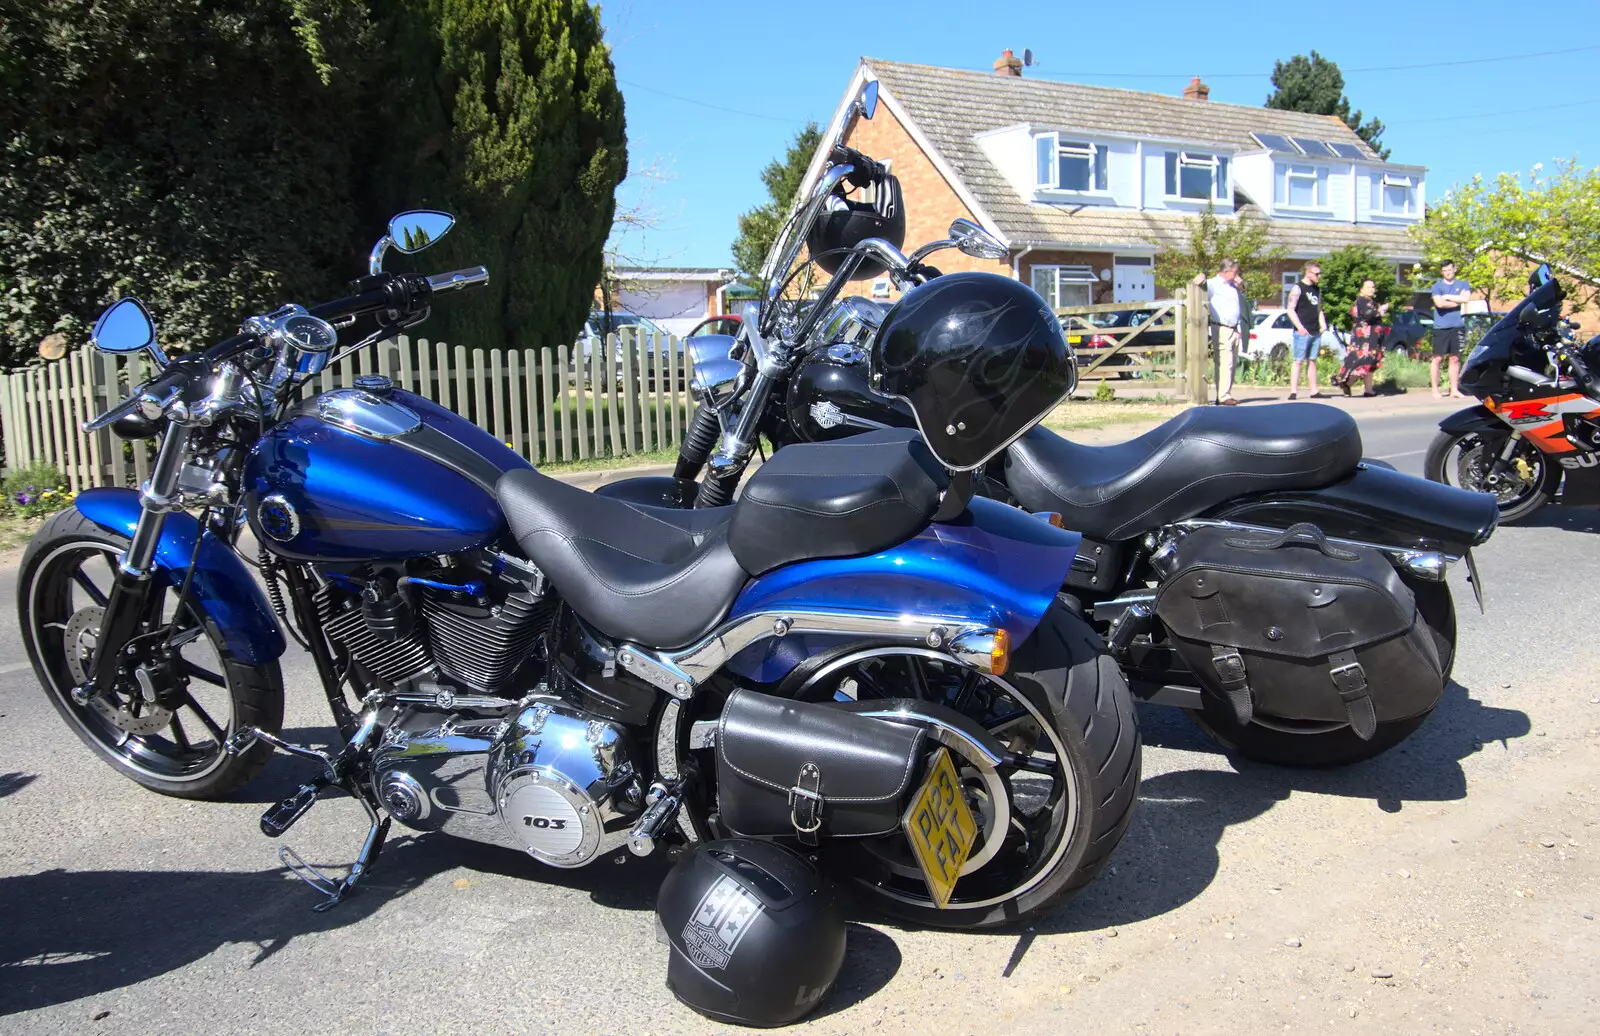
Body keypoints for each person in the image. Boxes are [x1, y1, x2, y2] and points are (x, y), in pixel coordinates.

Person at [1333, 278, 1388, 397]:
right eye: (1368, 287)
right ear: (1362, 289)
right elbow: (1368, 315)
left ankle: (1368, 389)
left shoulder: (1371, 301)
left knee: (1371, 363)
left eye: (1373, 287)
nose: (1371, 289)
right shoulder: (1362, 301)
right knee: (1363, 360)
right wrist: (1380, 310)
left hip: (1372, 337)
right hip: (1364, 338)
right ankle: (1345, 380)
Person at [1206, 258, 1247, 405]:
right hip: (1221, 327)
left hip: (1234, 328)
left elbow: (1244, 296)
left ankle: (1225, 393)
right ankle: (1223, 396)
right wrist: (1200, 278)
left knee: (1232, 362)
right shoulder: (1214, 284)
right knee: (1225, 362)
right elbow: (1200, 288)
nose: (1236, 275)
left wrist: (1239, 284)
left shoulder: (1232, 286)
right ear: (1225, 271)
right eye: (1234, 272)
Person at [1430, 260, 1472, 398]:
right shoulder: (1437, 287)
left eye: (1450, 269)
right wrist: (1457, 301)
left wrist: (1447, 297)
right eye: (1445, 270)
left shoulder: (1463, 284)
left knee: (1454, 358)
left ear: (1454, 269)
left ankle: (1454, 390)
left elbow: (1466, 299)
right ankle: (1435, 390)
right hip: (1441, 327)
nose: (1448, 272)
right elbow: (1439, 304)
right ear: (1442, 272)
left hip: (1457, 326)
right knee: (1437, 358)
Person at [1285, 261, 1326, 399]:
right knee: (1298, 360)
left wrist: (1323, 324)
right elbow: (1290, 310)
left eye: (1319, 273)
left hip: (1315, 330)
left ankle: (1314, 390)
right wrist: (1300, 327)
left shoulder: (1316, 289)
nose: (1318, 276)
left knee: (1312, 360)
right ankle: (1293, 391)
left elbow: (1319, 308)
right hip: (1303, 331)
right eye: (1316, 273)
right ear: (1308, 273)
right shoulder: (1298, 288)